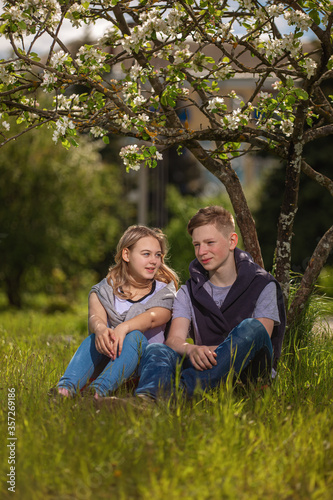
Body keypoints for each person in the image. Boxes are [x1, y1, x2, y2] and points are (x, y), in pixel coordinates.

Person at [134, 206, 286, 399]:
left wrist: (211, 353)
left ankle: (175, 394)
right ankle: (146, 399)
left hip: (249, 375)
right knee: (157, 349)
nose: (202, 251)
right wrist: (192, 349)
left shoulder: (263, 284)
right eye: (196, 244)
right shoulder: (188, 291)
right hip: (204, 367)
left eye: (209, 242)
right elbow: (174, 340)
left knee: (252, 328)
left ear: (232, 241)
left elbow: (259, 340)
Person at [54, 225, 178, 399]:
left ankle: (96, 393)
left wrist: (124, 327)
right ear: (126, 255)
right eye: (146, 254)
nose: (154, 261)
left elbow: (153, 318)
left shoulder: (165, 292)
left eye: (158, 255)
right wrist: (101, 329)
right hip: (112, 363)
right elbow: (95, 317)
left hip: (146, 369)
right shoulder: (104, 291)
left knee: (135, 337)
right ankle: (64, 390)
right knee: (94, 338)